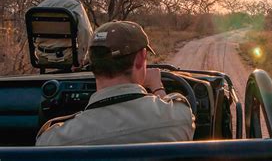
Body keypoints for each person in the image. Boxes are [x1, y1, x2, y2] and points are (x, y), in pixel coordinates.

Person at [36, 21, 195, 146]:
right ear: (140, 59)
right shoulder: (179, 117)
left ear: (92, 63)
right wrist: (157, 88)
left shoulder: (53, 139)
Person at [35, 0, 93, 66]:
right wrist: (81, 56)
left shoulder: (39, 7)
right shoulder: (74, 5)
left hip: (42, 57)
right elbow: (85, 30)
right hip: (68, 56)